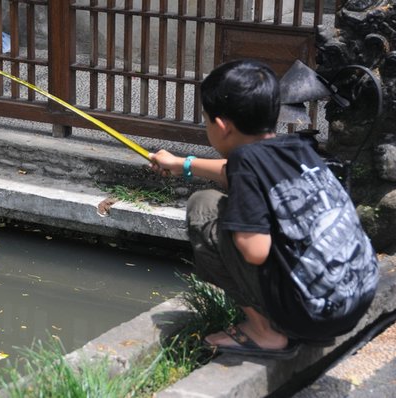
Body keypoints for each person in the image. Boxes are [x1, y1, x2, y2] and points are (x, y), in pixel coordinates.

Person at [149, 59, 379, 359]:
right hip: (354, 302)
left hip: (313, 316)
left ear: (222, 126)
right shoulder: (298, 148)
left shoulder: (246, 162)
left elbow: (255, 250)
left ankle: (265, 332)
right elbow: (230, 170)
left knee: (203, 205)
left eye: (206, 120)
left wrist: (242, 218)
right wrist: (183, 164)